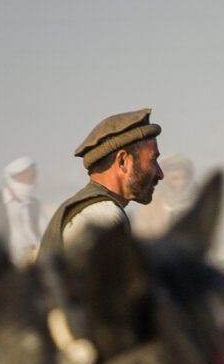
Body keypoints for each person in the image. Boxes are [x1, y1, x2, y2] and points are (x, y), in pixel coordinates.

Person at [37, 108, 163, 263]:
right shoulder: (104, 218)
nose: (160, 174)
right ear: (123, 161)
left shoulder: (91, 210)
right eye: (153, 160)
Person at [0, 156, 48, 265]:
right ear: (16, 177)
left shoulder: (35, 205)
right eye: (30, 177)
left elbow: (46, 235)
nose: (35, 182)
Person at [130, 152, 195, 238]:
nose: (181, 184)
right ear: (165, 179)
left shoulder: (197, 202)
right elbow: (142, 234)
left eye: (184, 178)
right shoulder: (151, 204)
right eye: (175, 178)